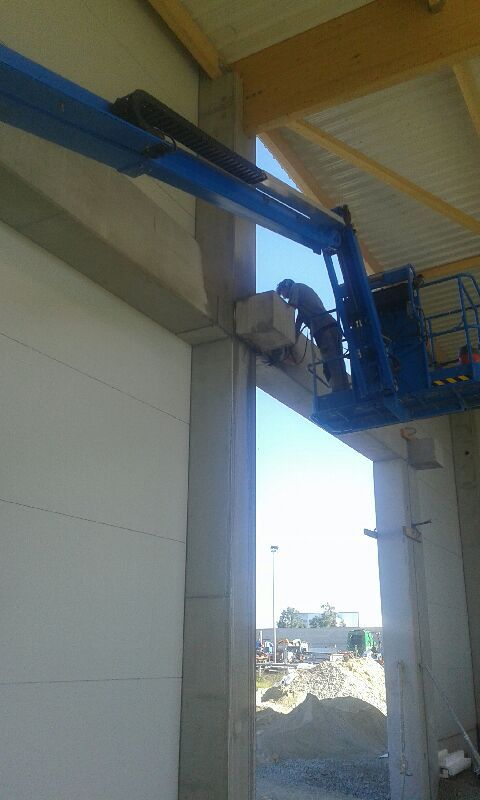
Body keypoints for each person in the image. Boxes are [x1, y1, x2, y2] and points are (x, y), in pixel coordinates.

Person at [276, 279, 349, 392]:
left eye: (283, 293)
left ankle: (340, 393)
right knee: (336, 363)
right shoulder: (303, 302)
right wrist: (290, 343)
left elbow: (291, 308)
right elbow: (297, 325)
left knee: (332, 364)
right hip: (331, 327)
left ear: (286, 286)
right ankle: (344, 390)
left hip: (324, 330)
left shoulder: (296, 287)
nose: (285, 297)